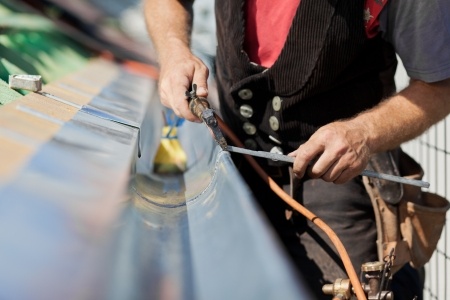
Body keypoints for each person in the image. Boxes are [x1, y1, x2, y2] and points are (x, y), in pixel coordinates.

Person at [144, 0, 450, 299]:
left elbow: (439, 87)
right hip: (235, 171)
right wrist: (173, 52)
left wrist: (364, 133)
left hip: (338, 179)